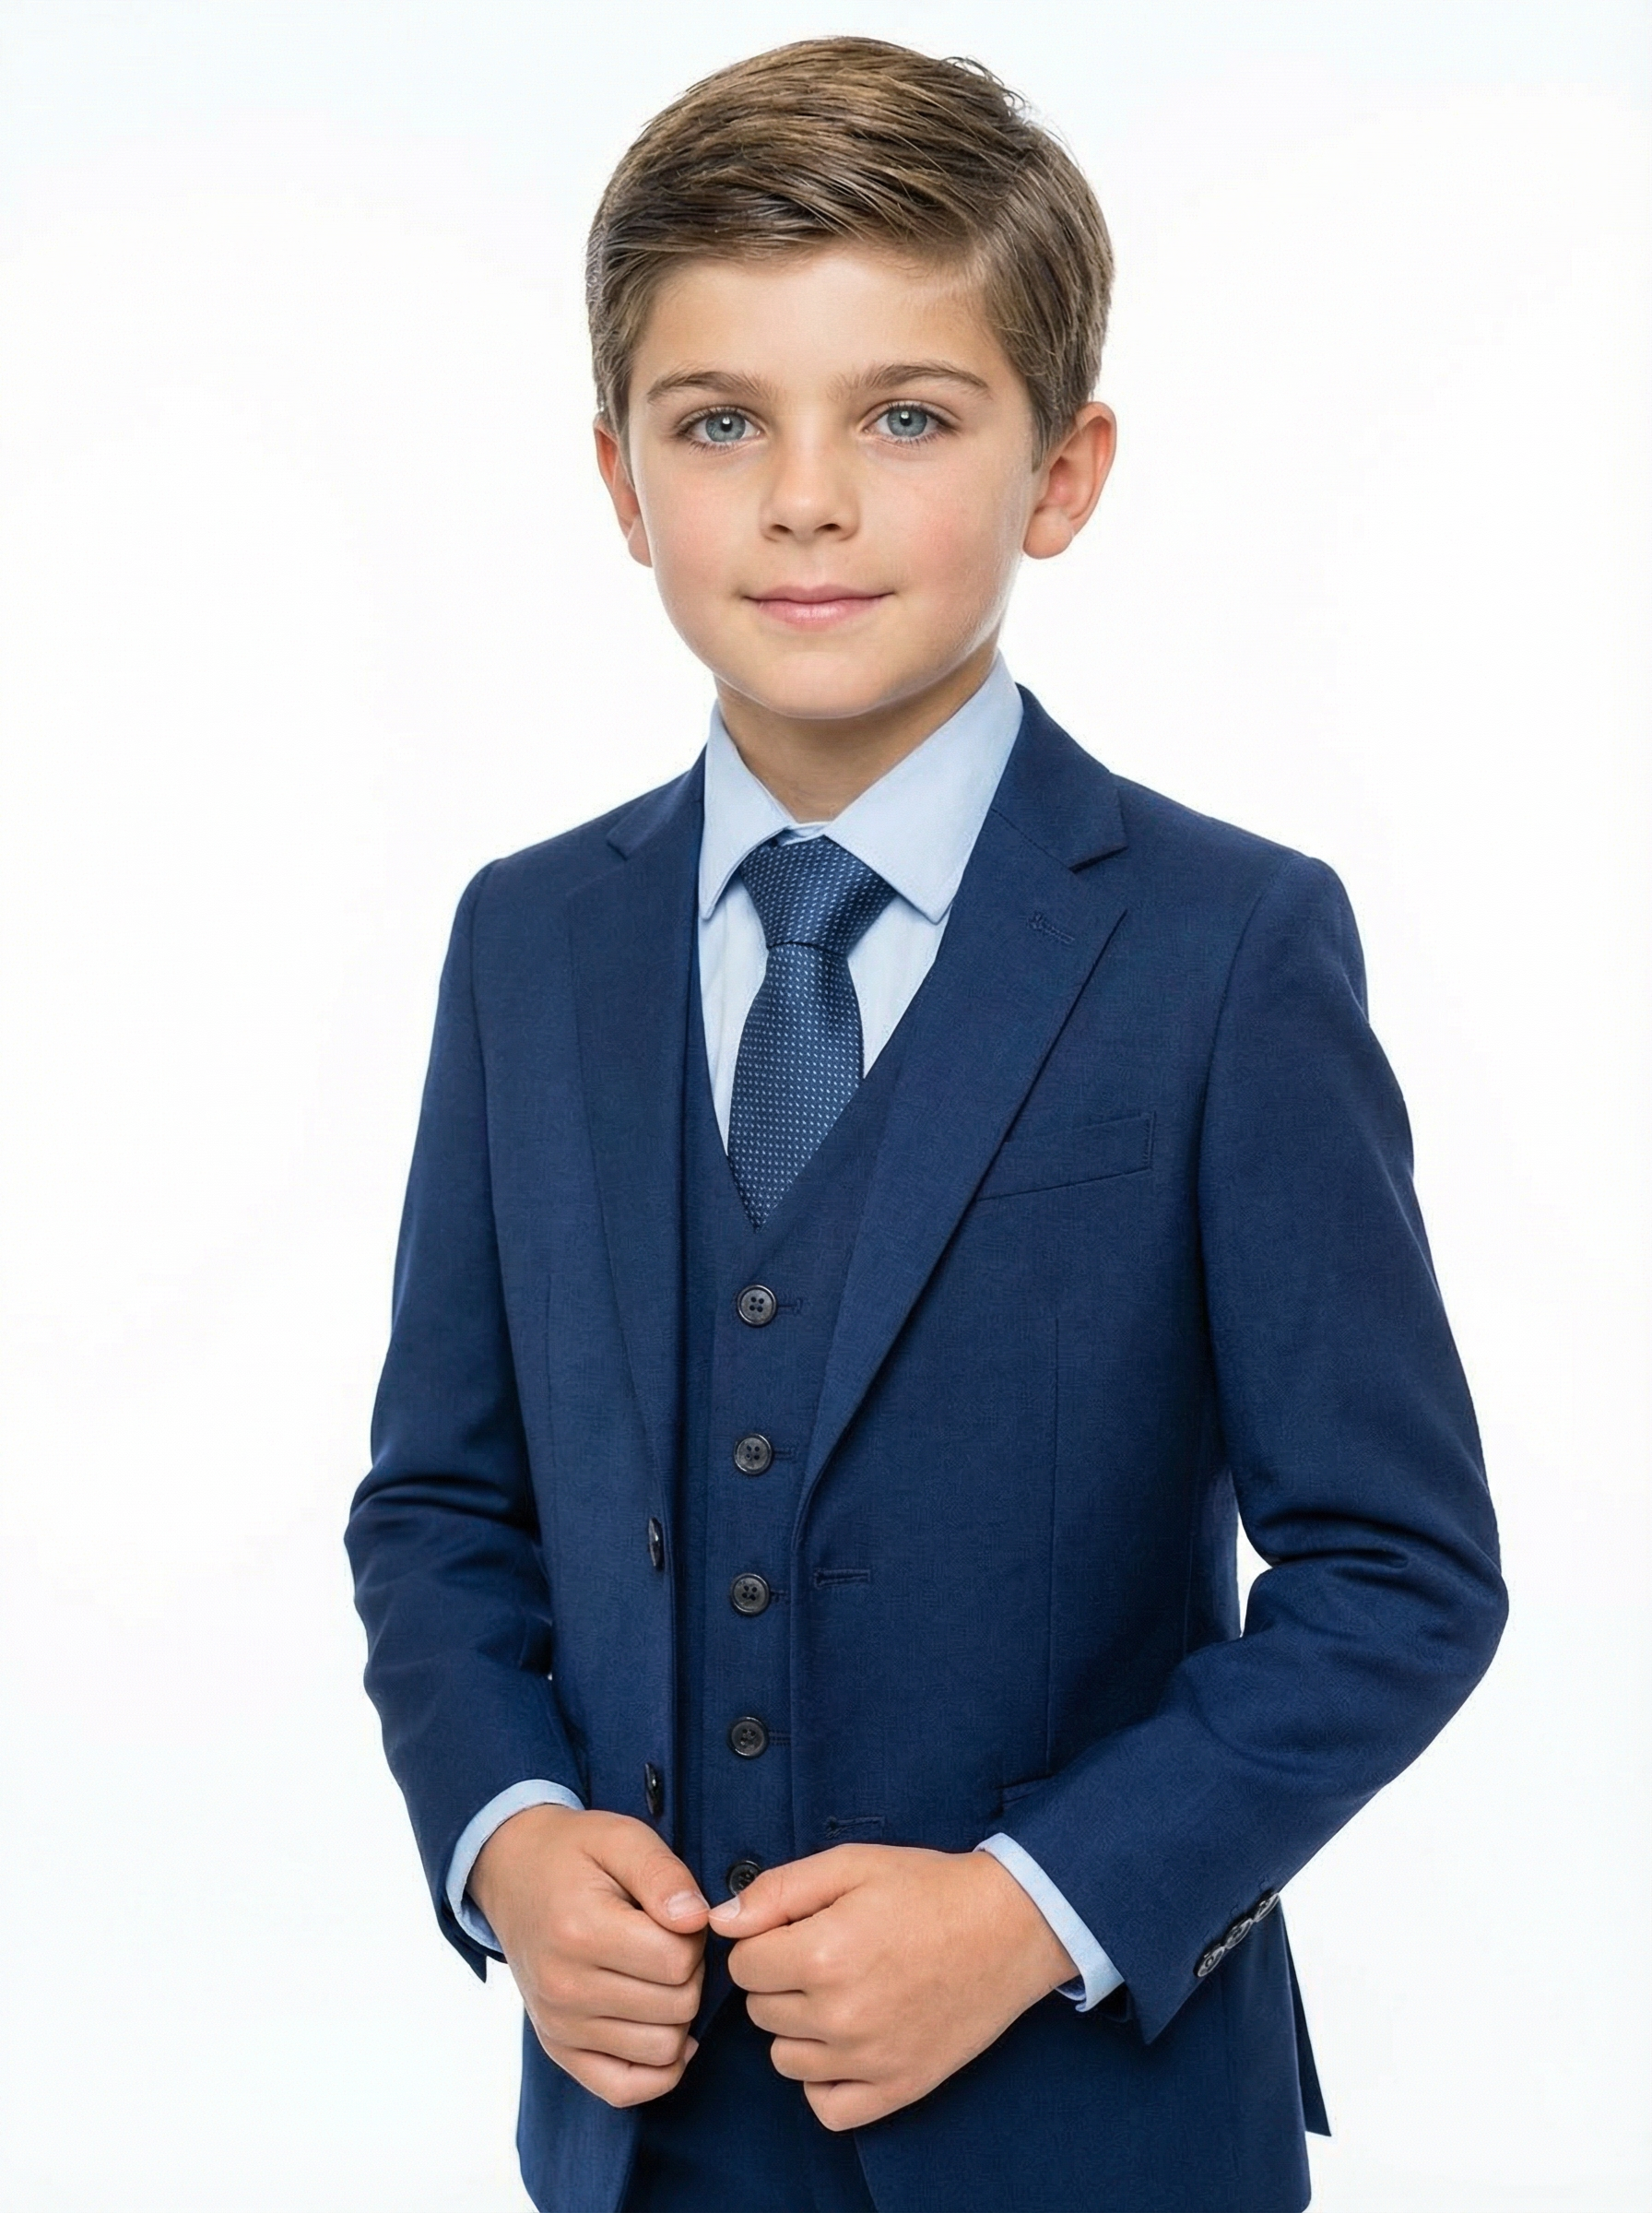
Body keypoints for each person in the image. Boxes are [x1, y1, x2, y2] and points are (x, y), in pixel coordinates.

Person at [345, 37, 1507, 2213]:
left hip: (1090, 2139)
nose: (805, 496)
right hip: (640, 2140)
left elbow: (1396, 1574)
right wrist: (502, 1836)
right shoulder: (526, 945)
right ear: (618, 483)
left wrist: (1030, 1908)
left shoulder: (1225, 944)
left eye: (903, 415)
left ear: (1060, 473)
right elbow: (437, 1503)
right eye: (719, 424)